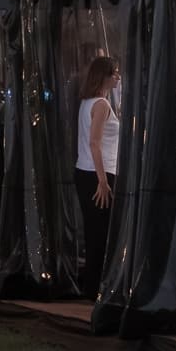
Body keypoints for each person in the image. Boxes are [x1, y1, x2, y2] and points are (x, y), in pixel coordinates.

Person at [75, 56, 121, 297]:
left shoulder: (88, 102)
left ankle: (92, 286)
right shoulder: (101, 104)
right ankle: (95, 287)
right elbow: (95, 143)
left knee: (95, 231)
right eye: (115, 73)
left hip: (86, 172)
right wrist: (103, 181)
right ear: (104, 76)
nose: (118, 77)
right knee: (100, 234)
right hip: (99, 174)